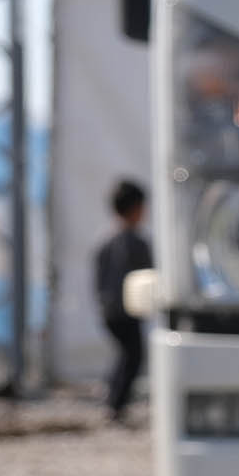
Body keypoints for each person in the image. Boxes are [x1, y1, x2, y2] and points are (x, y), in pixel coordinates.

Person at [95, 178, 153, 424]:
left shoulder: (105, 241)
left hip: (110, 311)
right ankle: (115, 404)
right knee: (133, 356)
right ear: (136, 208)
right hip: (127, 311)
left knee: (126, 356)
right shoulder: (134, 243)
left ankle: (114, 400)